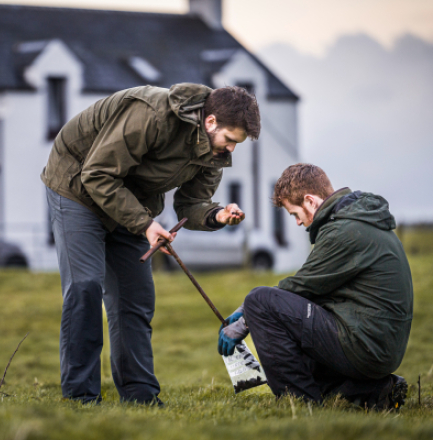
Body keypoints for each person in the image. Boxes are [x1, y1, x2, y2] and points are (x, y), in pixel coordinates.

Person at [42, 84, 261, 404]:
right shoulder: (152, 114)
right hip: (77, 186)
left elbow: (192, 204)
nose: (230, 150)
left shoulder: (214, 153)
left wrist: (218, 215)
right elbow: (98, 174)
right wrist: (145, 224)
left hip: (131, 202)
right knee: (85, 286)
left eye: (237, 144)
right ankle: (80, 398)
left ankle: (141, 398)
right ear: (210, 122)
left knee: (136, 298)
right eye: (230, 140)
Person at [218, 163, 413, 409]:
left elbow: (300, 286)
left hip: (366, 345)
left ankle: (299, 403)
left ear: (310, 202)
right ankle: (374, 392)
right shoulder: (356, 220)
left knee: (259, 300)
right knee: (292, 328)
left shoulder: (344, 230)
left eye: (294, 214)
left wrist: (245, 315)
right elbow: (308, 289)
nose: (298, 223)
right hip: (377, 344)